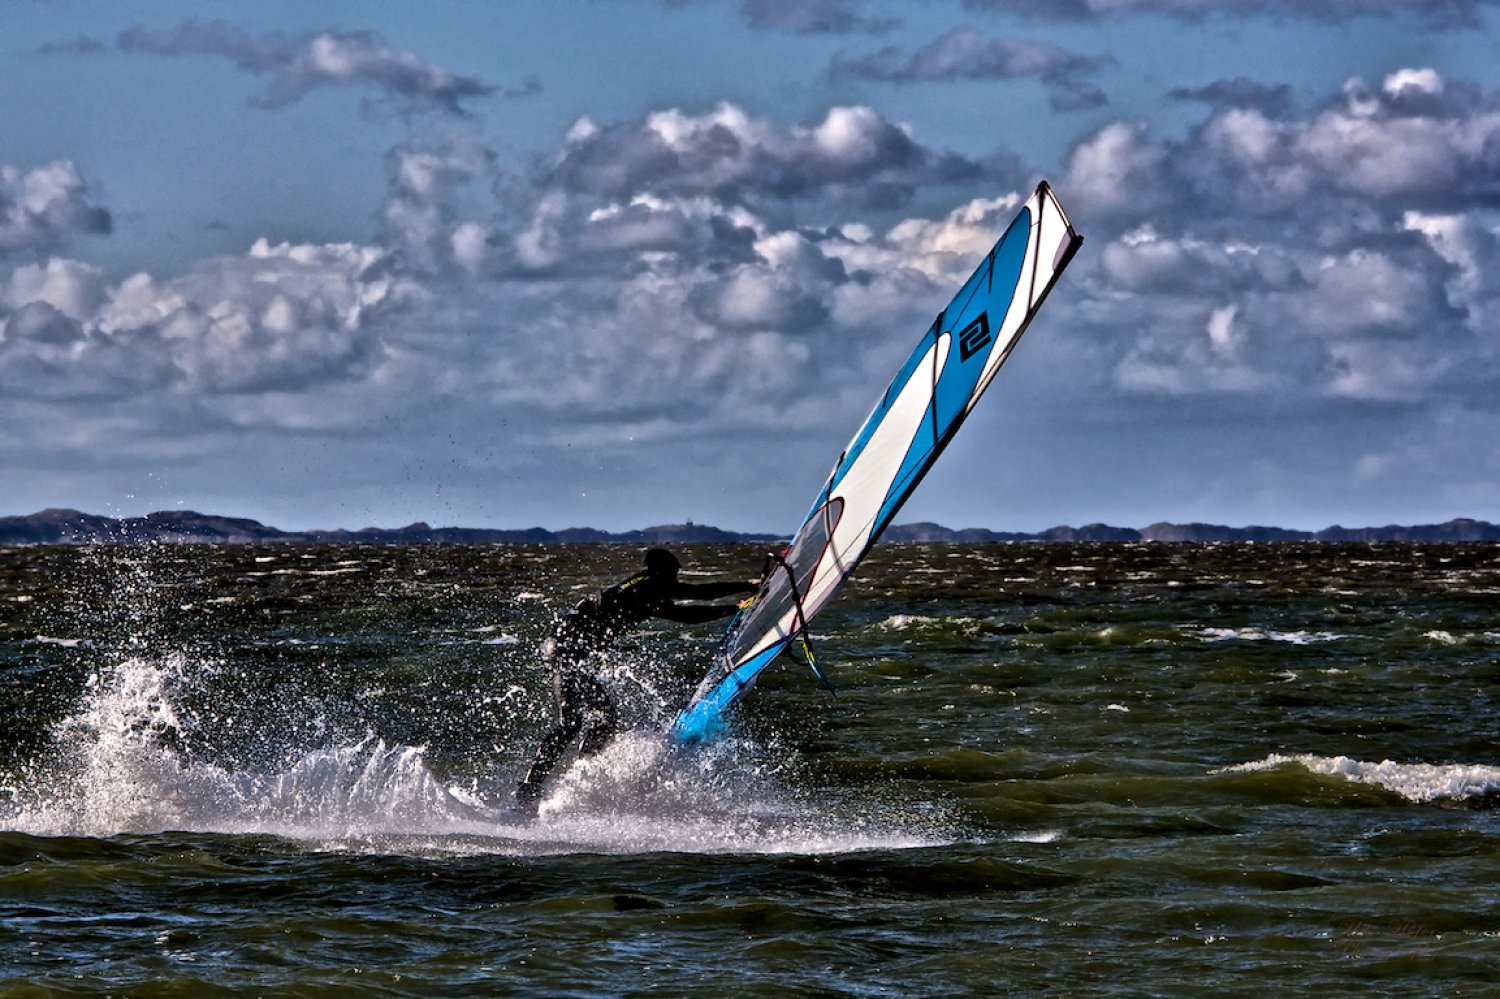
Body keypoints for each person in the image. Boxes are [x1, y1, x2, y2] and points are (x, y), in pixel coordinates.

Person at [515, 547, 757, 811]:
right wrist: (740, 597)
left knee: (583, 722)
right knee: (589, 721)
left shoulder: (640, 586)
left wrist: (743, 590)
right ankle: (562, 781)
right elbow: (688, 608)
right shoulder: (647, 588)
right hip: (566, 650)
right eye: (674, 575)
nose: (676, 581)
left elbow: (688, 595)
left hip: (559, 647)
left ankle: (546, 783)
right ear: (661, 573)